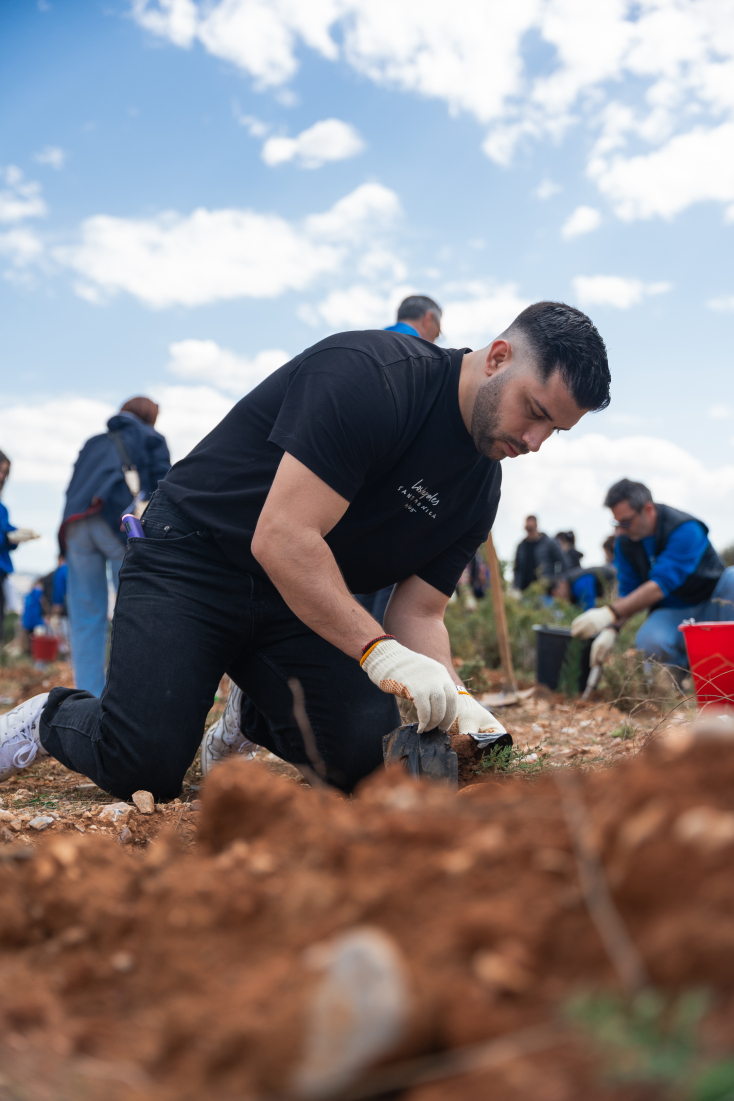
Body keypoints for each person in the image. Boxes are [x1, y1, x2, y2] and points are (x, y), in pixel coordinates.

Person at [0, 301, 611, 798]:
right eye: (534, 412)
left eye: (553, 430)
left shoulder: (480, 487)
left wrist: (459, 699)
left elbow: (418, 614)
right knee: (143, 767)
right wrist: (377, 652)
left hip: (298, 604)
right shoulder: (373, 377)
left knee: (368, 766)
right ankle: (47, 719)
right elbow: (283, 536)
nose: (534, 442)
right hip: (193, 559)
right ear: (498, 357)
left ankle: (257, 712)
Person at [59, 397, 170, 696]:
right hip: (118, 521)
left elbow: (72, 487)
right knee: (132, 609)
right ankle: (128, 696)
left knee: (84, 615)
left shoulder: (94, 441)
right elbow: (163, 486)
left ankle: (88, 697)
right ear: (149, 416)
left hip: (76, 523)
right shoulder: (150, 436)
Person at [571, 478, 734, 671]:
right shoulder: (626, 542)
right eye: (617, 523)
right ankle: (672, 689)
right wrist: (611, 628)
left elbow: (660, 585)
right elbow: (628, 592)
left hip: (713, 604)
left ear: (647, 510)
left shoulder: (686, 529)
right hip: (672, 611)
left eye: (626, 522)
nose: (620, 530)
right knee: (650, 641)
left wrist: (609, 613)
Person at [356, 295, 444, 625]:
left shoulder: (368, 344)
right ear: (429, 319)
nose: (437, 337)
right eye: (439, 328)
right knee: (386, 593)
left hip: (351, 489)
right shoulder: (426, 358)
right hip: (394, 492)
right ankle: (377, 666)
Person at [0, 449, 40, 642]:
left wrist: (15, 537)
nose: (1, 477)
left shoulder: (2, 508)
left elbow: (6, 533)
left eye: (5, 473)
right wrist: (8, 538)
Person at [513, 515, 565, 591]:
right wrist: (516, 586)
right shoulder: (521, 547)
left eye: (531, 528)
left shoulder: (549, 543)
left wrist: (557, 581)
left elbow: (563, 562)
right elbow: (517, 569)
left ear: (536, 526)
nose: (530, 531)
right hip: (525, 590)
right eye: (528, 528)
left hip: (546, 589)